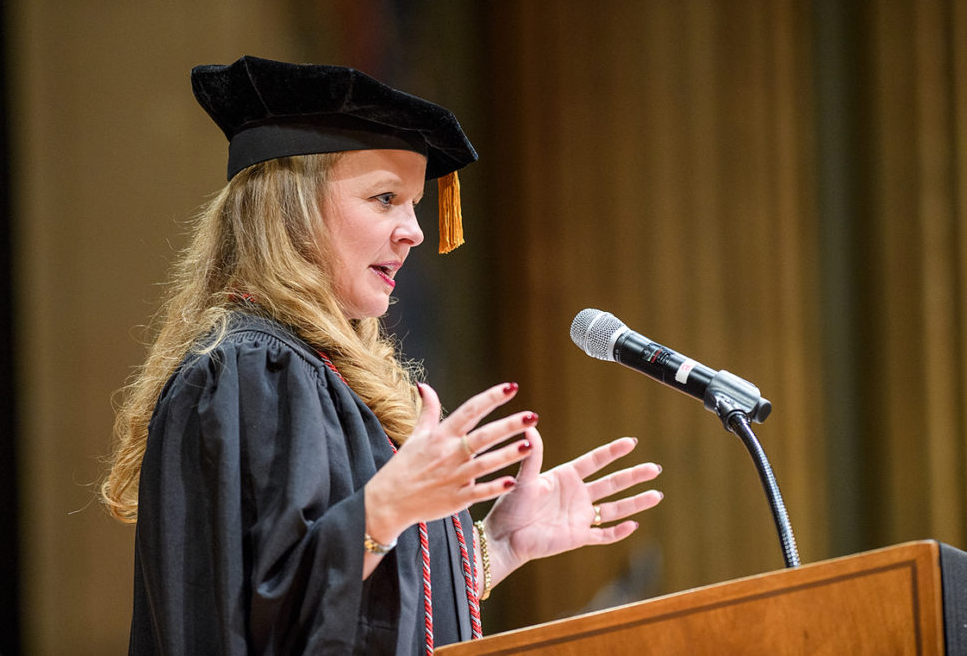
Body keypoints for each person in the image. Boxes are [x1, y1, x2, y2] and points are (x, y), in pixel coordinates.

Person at [101, 56, 663, 655]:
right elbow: (253, 620)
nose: (414, 231)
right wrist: (384, 509)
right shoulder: (252, 371)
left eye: (413, 204)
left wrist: (496, 547)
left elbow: (358, 608)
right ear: (290, 210)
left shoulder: (327, 375)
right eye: (385, 197)